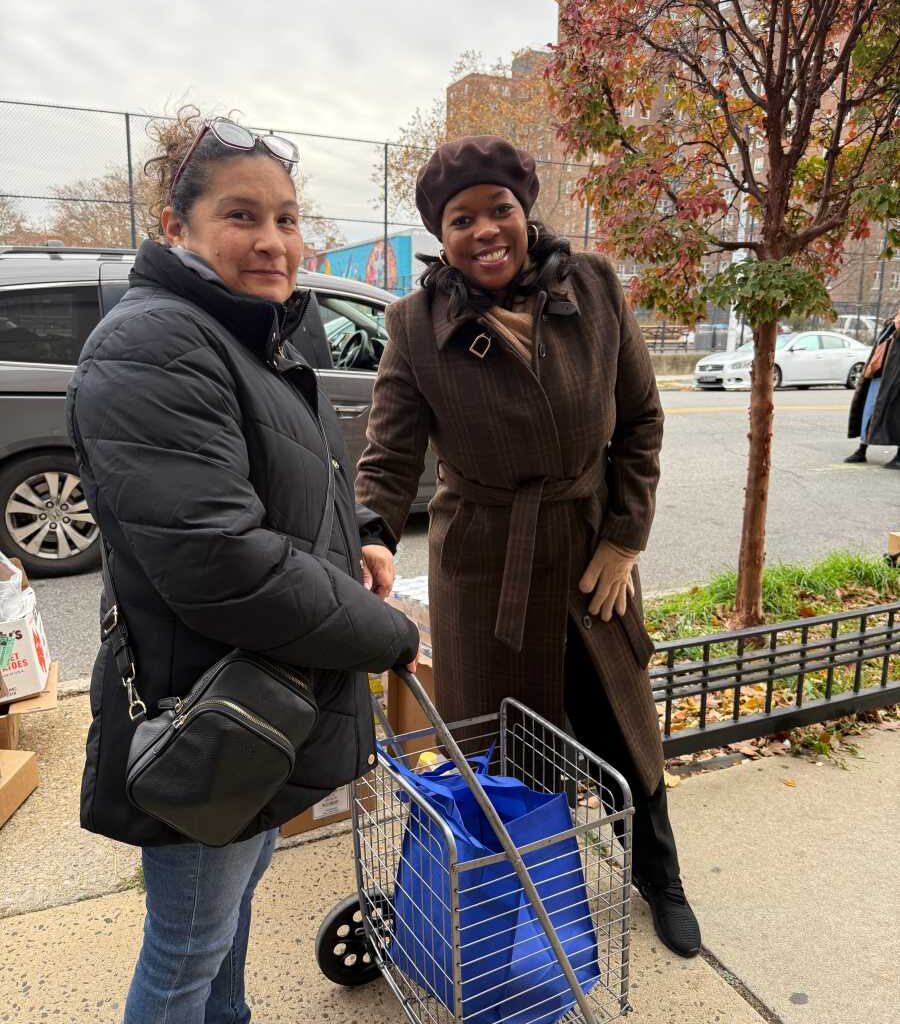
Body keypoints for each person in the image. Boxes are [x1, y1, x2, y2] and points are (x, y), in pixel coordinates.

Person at [66, 108, 418, 1024]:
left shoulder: (251, 329)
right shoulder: (156, 344)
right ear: (177, 225)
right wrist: (386, 634)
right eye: (242, 215)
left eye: (288, 218)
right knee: (185, 952)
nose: (273, 241)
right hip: (213, 704)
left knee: (225, 919)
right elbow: (221, 558)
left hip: (268, 697)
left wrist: (370, 531)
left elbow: (298, 483)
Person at [356, 135, 701, 958]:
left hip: (590, 557)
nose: (485, 230)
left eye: (498, 209)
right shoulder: (414, 326)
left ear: (526, 209)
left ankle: (659, 874)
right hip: (485, 571)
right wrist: (369, 532)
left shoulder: (595, 287)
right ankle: (534, 915)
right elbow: (388, 456)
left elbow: (642, 422)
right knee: (505, 752)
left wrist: (623, 541)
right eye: (460, 217)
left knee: (623, 727)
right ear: (441, 236)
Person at [845, 309, 900, 468]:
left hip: (895, 379)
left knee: (895, 414)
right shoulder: (890, 325)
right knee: (868, 411)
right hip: (879, 376)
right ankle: (862, 449)